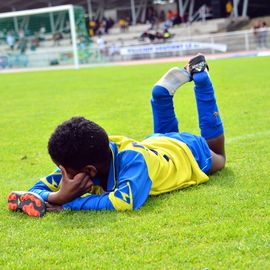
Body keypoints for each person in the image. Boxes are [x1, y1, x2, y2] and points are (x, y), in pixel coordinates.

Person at [8, 54, 225, 217]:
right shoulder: (89, 154)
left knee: (219, 157)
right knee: (164, 135)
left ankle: (203, 82)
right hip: (155, 145)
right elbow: (35, 191)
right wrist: (56, 196)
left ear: (90, 170)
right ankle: (160, 97)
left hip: (187, 151)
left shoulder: (131, 161)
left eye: (65, 171)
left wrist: (68, 202)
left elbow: (123, 201)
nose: (62, 175)